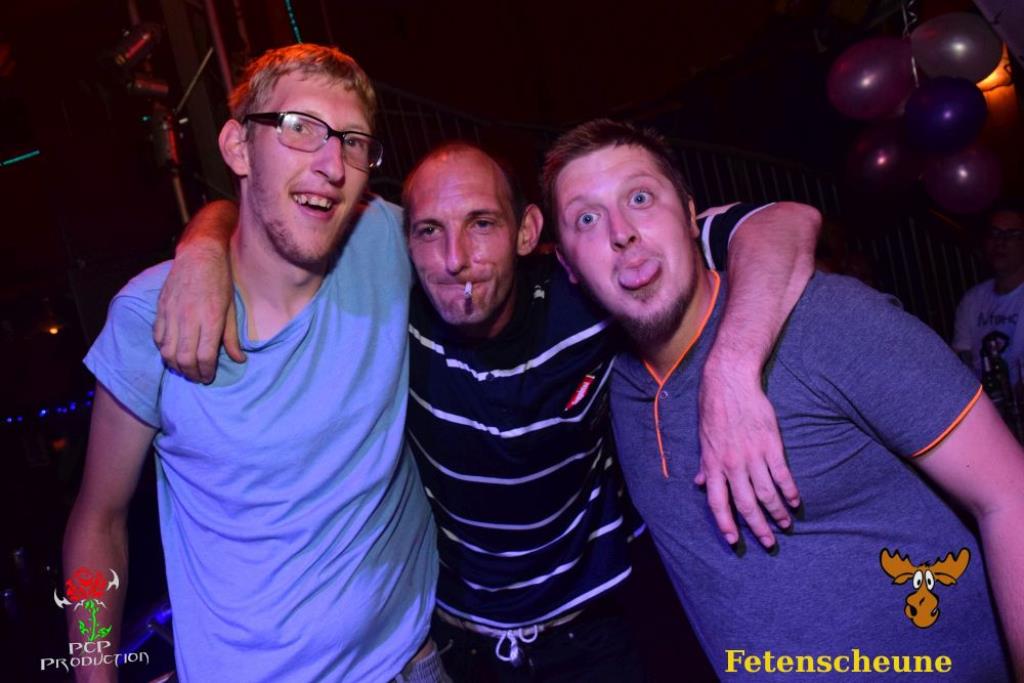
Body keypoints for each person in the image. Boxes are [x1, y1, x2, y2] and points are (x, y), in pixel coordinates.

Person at [158, 133, 820, 679]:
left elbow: (784, 222)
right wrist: (203, 243)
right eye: (429, 231)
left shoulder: (589, 294)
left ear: (527, 230)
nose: (456, 259)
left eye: (481, 224)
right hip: (460, 642)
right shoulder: (393, 317)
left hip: (600, 630)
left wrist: (733, 369)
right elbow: (272, 217)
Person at [545, 119, 1024, 680]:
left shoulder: (829, 322)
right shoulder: (611, 382)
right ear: (568, 266)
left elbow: (1009, 495)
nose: (621, 232)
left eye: (641, 198)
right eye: (586, 218)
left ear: (692, 215)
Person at [63, 45, 442, 682]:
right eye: (300, 129)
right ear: (238, 148)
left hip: (409, 663)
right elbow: (98, 522)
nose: (331, 164)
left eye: (352, 142)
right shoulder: (150, 315)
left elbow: (483, 243)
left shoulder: (384, 242)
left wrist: (204, 235)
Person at [953, 202, 1024, 384]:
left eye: (1011, 235)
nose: (1000, 242)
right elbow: (962, 358)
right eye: (994, 233)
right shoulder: (972, 300)